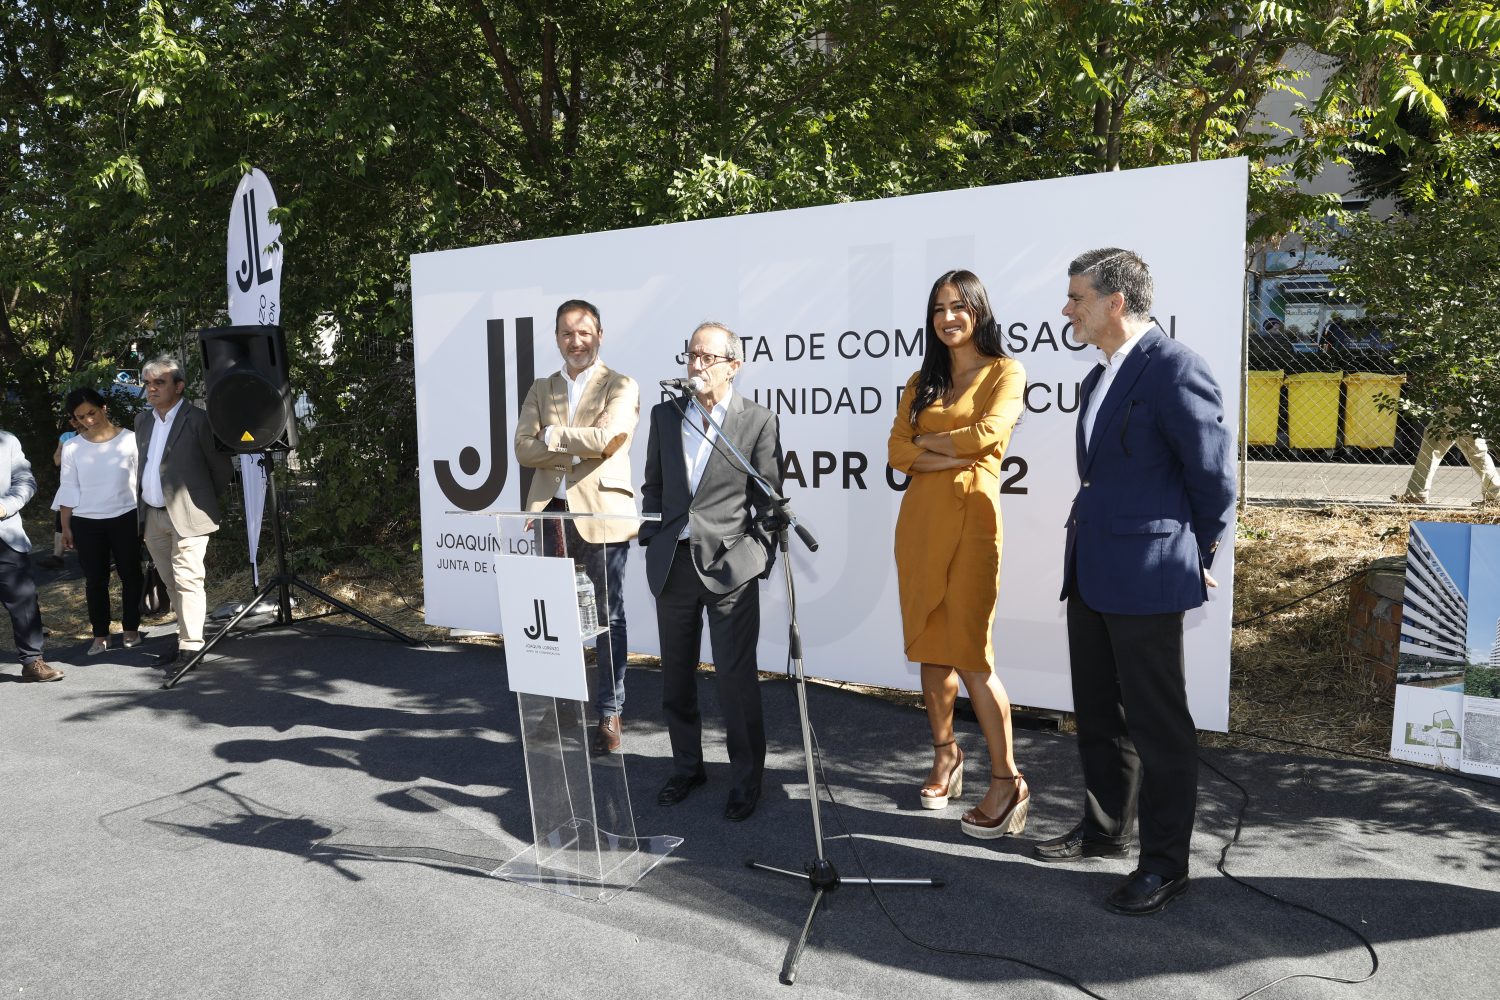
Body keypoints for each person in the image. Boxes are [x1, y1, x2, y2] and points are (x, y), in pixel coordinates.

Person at [1041, 248, 1235, 916]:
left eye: (1077, 298)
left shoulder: (1175, 367)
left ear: (1115, 301)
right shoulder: (1099, 375)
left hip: (1149, 573)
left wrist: (1194, 552)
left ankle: (1164, 865)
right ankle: (1103, 830)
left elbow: (1214, 480)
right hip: (1092, 567)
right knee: (1098, 711)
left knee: (1158, 724)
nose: (1068, 309)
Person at [887, 270, 1029, 839]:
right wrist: (947, 451)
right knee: (930, 645)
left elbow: (989, 435)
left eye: (959, 306)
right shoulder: (920, 380)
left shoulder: (1005, 371)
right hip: (919, 522)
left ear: (978, 311)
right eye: (939, 308)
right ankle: (946, 754)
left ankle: (1007, 779)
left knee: (971, 654)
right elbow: (896, 452)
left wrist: (928, 443)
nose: (948, 317)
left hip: (973, 521)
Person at [639, 321, 781, 822]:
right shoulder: (666, 413)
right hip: (673, 565)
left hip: (729, 571)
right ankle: (687, 767)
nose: (696, 364)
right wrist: (652, 537)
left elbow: (769, 501)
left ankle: (746, 779)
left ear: (733, 366)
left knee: (736, 683)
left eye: (707, 357)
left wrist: (755, 559)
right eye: (691, 355)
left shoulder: (756, 421)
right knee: (675, 678)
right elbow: (653, 485)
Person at [514, 299, 641, 754]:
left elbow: (608, 441)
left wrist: (552, 435)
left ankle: (609, 711)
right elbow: (523, 448)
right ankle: (563, 710)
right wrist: (578, 446)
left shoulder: (620, 384)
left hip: (603, 515)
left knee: (608, 617)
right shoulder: (541, 387)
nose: (576, 341)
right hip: (552, 512)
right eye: (567, 333)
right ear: (557, 338)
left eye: (584, 332)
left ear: (599, 335)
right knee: (556, 617)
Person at [134, 355, 232, 667]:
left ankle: (191, 646)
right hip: (152, 515)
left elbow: (221, 469)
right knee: (170, 581)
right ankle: (182, 638)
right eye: (147, 383)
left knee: (188, 579)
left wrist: (199, 501)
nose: (151, 388)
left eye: (159, 382)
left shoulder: (199, 420)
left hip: (190, 514)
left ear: (179, 386)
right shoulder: (142, 421)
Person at [54, 388, 144, 656]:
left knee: (131, 574)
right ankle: (100, 634)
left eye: (91, 413)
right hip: (86, 521)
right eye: (81, 417)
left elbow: (142, 482)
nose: (88, 420)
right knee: (95, 580)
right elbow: (68, 487)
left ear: (103, 408)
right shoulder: (72, 447)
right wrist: (65, 526)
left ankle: (131, 628)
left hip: (127, 516)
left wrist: (147, 519)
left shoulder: (131, 439)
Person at [0, 430, 63, 682]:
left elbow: (25, 481)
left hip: (5, 534)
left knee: (24, 598)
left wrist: (5, 506)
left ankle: (32, 661)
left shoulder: (7, 441)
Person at [1393, 409, 1500, 507]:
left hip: (1462, 402)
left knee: (1474, 450)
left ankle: (1495, 495)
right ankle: (1417, 493)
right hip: (1451, 403)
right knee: (1432, 441)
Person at [37, 416, 80, 569]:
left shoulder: (97, 435)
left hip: (90, 485)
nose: (74, 421)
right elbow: (57, 460)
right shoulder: (67, 437)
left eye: (77, 417)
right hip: (69, 484)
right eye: (72, 418)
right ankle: (57, 557)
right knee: (60, 520)